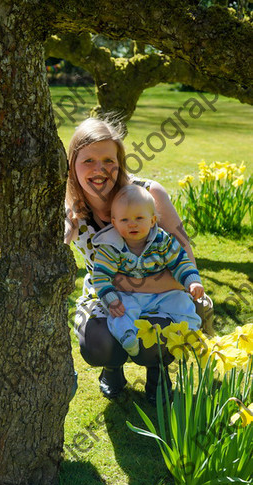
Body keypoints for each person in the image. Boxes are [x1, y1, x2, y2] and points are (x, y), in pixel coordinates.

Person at [65, 117, 213, 403]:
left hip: (161, 296)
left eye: (109, 160)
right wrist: (66, 230)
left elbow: (186, 265)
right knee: (98, 343)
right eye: (88, 161)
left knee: (158, 335)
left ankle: (157, 371)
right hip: (103, 295)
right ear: (72, 164)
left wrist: (128, 283)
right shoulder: (70, 209)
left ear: (120, 162)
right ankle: (112, 366)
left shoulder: (148, 195)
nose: (100, 170)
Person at [92, 184, 203, 358]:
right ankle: (127, 336)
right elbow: (100, 276)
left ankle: (191, 330)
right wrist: (111, 299)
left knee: (181, 301)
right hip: (127, 295)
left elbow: (180, 262)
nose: (132, 224)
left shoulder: (162, 241)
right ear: (114, 223)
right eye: (124, 220)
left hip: (161, 294)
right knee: (120, 311)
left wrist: (192, 281)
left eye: (139, 218)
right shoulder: (111, 247)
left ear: (152, 220)